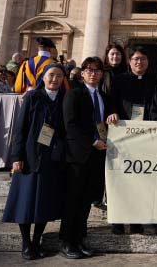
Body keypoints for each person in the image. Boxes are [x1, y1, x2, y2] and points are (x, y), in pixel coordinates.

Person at [2, 64, 67, 260]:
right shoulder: (32, 97)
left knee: (43, 203)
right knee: (26, 201)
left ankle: (37, 241)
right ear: (43, 77)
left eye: (59, 76)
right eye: (51, 75)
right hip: (30, 156)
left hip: (52, 158)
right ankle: (26, 243)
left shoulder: (64, 99)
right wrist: (16, 157)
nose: (54, 79)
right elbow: (20, 129)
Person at [60, 57, 114, 259]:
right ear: (82, 73)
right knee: (73, 200)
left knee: (85, 201)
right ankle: (67, 242)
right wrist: (93, 141)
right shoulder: (74, 94)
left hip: (96, 156)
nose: (93, 73)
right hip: (78, 155)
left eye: (97, 70)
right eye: (89, 70)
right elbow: (70, 124)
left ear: (102, 74)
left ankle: (79, 239)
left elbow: (107, 119)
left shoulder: (104, 96)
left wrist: (114, 116)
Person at [109, 46, 157, 235]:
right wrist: (112, 112)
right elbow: (111, 101)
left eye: (143, 59)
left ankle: (137, 221)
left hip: (145, 137)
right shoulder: (119, 80)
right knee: (120, 179)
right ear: (130, 62)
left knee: (141, 180)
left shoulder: (155, 82)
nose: (139, 62)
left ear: (148, 62)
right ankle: (117, 220)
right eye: (136, 59)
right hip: (122, 134)